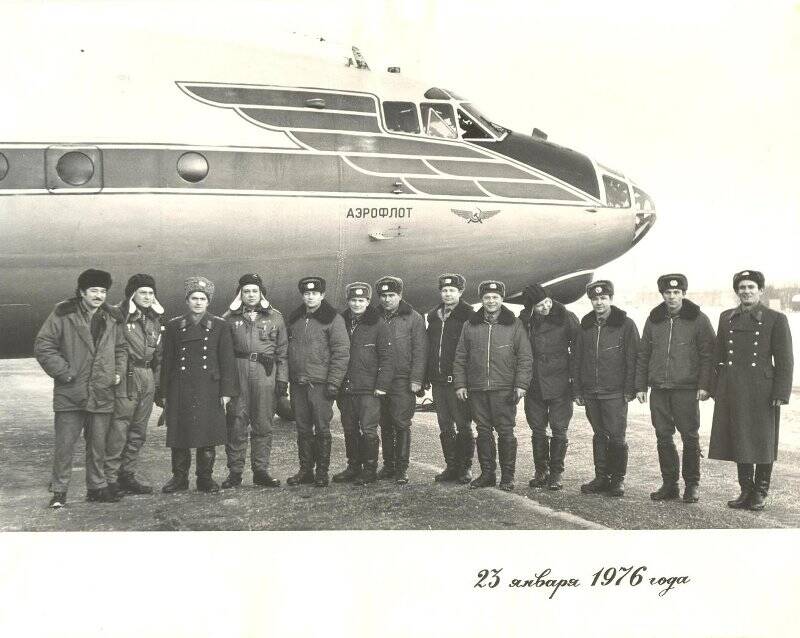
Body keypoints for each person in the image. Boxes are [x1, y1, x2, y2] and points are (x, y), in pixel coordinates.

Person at [34, 268, 126, 507]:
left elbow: (121, 349)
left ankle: (96, 488)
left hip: (102, 390)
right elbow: (44, 345)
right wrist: (64, 373)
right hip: (71, 391)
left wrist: (117, 372)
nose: (99, 295)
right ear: (82, 292)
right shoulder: (63, 313)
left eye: (103, 291)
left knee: (98, 446)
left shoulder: (112, 317)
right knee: (65, 445)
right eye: (93, 290)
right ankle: (59, 491)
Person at [709, 270, 793, 511]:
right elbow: (718, 355)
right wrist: (715, 387)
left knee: (763, 440)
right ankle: (746, 490)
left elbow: (785, 360)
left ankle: (760, 492)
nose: (746, 291)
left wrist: (781, 392)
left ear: (760, 290)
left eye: (751, 287)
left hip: (763, 390)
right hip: (733, 387)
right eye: (742, 287)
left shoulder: (775, 319)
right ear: (737, 291)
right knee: (739, 437)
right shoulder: (726, 317)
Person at [635, 274, 715, 503]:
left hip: (686, 388)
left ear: (683, 293)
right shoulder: (654, 319)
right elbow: (643, 354)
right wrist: (640, 385)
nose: (672, 296)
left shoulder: (698, 319)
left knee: (690, 436)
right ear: (662, 294)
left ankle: (692, 485)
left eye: (677, 292)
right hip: (659, 388)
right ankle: (669, 484)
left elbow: (708, 354)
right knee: (663, 436)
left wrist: (704, 385)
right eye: (668, 293)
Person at [160, 277, 238, 494]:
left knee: (207, 435)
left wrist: (227, 392)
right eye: (194, 298)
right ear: (187, 300)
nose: (198, 302)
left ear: (208, 301)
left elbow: (227, 361)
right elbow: (167, 361)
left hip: (209, 388)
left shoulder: (220, 325)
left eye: (202, 298)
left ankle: (205, 479)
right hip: (180, 387)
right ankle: (179, 479)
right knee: (179, 436)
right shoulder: (175, 325)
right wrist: (164, 392)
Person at [453, 280, 532, 491]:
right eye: (487, 297)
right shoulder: (470, 324)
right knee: (483, 431)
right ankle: (487, 474)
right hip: (477, 388)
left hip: (504, 388)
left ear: (501, 299)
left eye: (495, 297)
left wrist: (521, 385)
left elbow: (525, 357)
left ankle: (507, 477)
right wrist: (460, 384)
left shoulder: (514, 324)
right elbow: (461, 356)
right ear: (482, 299)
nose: (491, 301)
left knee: (506, 432)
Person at [221, 273, 287, 489]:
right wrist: (226, 384)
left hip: (265, 373)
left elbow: (282, 351)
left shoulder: (275, 317)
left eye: (254, 291)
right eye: (246, 291)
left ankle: (261, 471)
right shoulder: (229, 318)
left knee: (263, 423)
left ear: (261, 293)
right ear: (240, 294)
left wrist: (282, 379)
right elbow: (222, 353)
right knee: (236, 423)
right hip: (238, 373)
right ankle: (235, 472)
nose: (250, 295)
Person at [574, 280, 639, 497]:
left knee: (617, 436)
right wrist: (578, 390)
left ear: (610, 299)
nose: (599, 302)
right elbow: (578, 358)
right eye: (595, 299)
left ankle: (617, 480)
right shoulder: (585, 325)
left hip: (614, 391)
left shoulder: (626, 324)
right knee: (599, 434)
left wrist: (630, 388)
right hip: (591, 391)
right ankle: (602, 477)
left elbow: (633, 358)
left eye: (603, 298)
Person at [286, 276, 350, 487]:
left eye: (314, 293)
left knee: (322, 428)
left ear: (322, 295)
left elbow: (341, 352)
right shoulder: (295, 319)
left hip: (320, 384)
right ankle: (306, 470)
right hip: (298, 383)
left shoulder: (333, 319)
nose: (310, 297)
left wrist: (334, 382)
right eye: (306, 293)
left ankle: (322, 471)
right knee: (303, 429)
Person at [105, 274, 164, 497]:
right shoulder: (118, 316)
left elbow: (158, 354)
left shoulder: (154, 319)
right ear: (132, 294)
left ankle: (127, 475)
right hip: (127, 376)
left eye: (151, 293)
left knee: (139, 431)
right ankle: (110, 479)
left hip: (147, 375)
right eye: (143, 293)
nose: (148, 297)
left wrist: (158, 386)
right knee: (119, 428)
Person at [519, 283, 579, 490]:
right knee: (537, 428)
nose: (545, 307)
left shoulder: (566, 317)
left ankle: (556, 474)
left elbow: (577, 350)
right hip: (534, 382)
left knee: (559, 429)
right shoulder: (525, 321)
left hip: (560, 382)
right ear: (531, 308)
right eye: (539, 305)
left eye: (547, 302)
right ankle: (541, 471)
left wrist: (574, 381)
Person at [333, 282, 394, 485]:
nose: (357, 304)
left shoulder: (378, 324)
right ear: (348, 301)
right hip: (346, 387)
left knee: (368, 429)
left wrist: (381, 385)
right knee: (349, 428)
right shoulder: (340, 321)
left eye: (361, 300)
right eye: (353, 300)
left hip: (369, 388)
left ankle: (369, 470)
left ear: (368, 301)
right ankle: (353, 467)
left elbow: (387, 357)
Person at [375, 276, 427, 485]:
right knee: (384, 423)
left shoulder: (413, 318)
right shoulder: (374, 316)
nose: (387, 300)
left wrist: (417, 379)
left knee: (401, 423)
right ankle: (388, 465)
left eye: (391, 295)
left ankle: (401, 468)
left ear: (400, 296)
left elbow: (420, 350)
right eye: (383, 296)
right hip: (379, 380)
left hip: (402, 379)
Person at [425, 273, 475, 484]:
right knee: (445, 425)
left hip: (457, 382)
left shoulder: (469, 316)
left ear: (460, 292)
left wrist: (464, 381)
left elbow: (471, 351)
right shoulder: (434, 317)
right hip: (438, 381)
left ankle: (465, 467)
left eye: (452, 290)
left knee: (463, 424)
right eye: (444, 290)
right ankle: (451, 466)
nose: (447, 294)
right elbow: (429, 348)